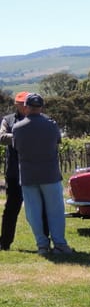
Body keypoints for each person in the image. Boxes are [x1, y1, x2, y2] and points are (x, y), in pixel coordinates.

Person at [12, 93, 72, 255]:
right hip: (50, 174)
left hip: (28, 175)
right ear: (41, 107)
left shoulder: (17, 128)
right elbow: (57, 143)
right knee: (56, 212)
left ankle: (42, 245)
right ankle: (59, 244)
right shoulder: (51, 125)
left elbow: (17, 147)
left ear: (26, 107)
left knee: (33, 213)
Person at [0, 92, 30, 249]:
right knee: (11, 210)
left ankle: (45, 242)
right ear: (16, 104)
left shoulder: (37, 118)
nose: (24, 106)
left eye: (25, 103)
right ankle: (4, 243)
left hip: (33, 172)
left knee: (40, 210)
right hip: (13, 173)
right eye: (21, 103)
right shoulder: (8, 119)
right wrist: (22, 136)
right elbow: (2, 137)